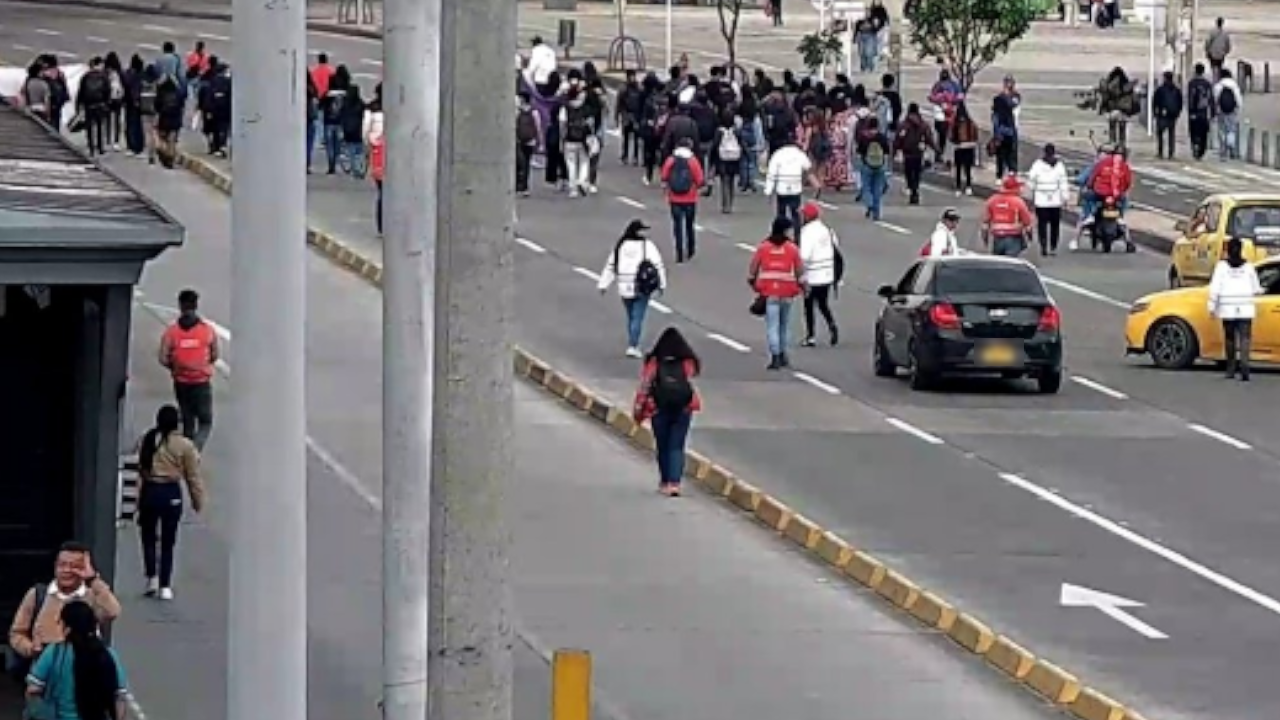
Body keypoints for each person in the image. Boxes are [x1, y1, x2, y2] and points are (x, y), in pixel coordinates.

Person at [7, 541, 122, 671]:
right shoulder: (38, 594)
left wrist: (93, 580)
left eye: (75, 566)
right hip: (45, 670)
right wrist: (30, 649)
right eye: (62, 565)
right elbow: (17, 633)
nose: (67, 570)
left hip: (84, 671)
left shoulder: (92, 595)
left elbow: (112, 611)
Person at [136, 404, 206, 599]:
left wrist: (137, 498)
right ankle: (165, 585)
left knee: (148, 536)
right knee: (168, 541)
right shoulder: (184, 446)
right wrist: (197, 500)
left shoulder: (148, 439)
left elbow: (141, 469)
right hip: (170, 492)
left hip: (150, 491)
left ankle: (151, 576)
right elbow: (193, 476)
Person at [24, 601, 129, 720]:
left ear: (67, 629)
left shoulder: (54, 652)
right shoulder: (108, 654)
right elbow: (120, 697)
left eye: (61, 623)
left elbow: (33, 689)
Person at [632, 328, 702, 497]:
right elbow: (690, 377)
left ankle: (665, 481)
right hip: (684, 407)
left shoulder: (655, 362)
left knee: (663, 446)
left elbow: (645, 385)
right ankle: (675, 483)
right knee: (677, 446)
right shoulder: (687, 362)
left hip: (659, 407)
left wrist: (638, 409)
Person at [158, 289, 219, 450]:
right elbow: (215, 354)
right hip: (201, 381)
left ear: (180, 306)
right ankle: (194, 450)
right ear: (196, 305)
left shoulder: (172, 332)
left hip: (181, 382)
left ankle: (186, 451)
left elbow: (163, 358)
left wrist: (176, 368)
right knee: (205, 421)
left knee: (188, 420)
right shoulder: (207, 330)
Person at [598, 219, 668, 357]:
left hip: (624, 286)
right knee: (638, 316)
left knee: (631, 315)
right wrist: (662, 284)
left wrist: (603, 284)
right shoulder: (647, 246)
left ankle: (632, 339)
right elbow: (658, 265)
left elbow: (611, 266)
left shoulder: (621, 246)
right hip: (641, 286)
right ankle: (633, 345)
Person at [749, 216, 806, 370]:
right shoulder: (792, 248)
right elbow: (800, 271)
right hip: (787, 291)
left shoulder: (764, 247)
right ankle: (783, 353)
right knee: (784, 325)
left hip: (770, 292)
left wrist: (755, 285)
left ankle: (775, 356)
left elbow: (753, 269)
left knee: (772, 325)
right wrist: (803, 287)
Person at [1208, 237, 1262, 381]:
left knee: (1230, 338)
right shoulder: (1249, 267)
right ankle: (1245, 364)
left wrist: (1212, 307)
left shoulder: (1221, 267)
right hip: (1245, 307)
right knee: (1245, 338)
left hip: (1227, 308)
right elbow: (1256, 288)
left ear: (1228, 250)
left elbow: (1215, 289)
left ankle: (1231, 368)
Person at [798, 202, 839, 347]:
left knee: (808, 306)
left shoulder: (807, 232)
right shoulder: (826, 229)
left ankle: (811, 336)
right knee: (823, 303)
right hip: (827, 273)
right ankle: (831, 324)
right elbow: (835, 246)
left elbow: (805, 255)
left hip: (812, 275)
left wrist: (799, 272)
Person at [660, 137, 705, 262]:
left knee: (677, 225)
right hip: (690, 198)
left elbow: (664, 176)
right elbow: (700, 179)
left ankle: (679, 252)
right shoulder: (692, 161)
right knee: (690, 225)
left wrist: (666, 188)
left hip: (674, 198)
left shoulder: (671, 160)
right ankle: (690, 249)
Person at [1026, 143, 1069, 256]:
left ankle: (1043, 245)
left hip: (1041, 199)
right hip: (1055, 198)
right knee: (1055, 225)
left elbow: (1031, 180)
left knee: (1042, 224)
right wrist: (1065, 197)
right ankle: (1053, 246)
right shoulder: (1059, 165)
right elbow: (1063, 182)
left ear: (1044, 152)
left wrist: (1032, 191)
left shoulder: (1037, 165)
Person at [893, 103, 937, 205]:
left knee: (908, 173)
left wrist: (894, 151)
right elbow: (929, 139)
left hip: (907, 153)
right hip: (919, 152)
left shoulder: (903, 124)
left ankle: (911, 189)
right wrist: (937, 150)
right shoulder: (924, 125)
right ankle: (915, 190)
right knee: (917, 173)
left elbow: (898, 139)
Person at [764, 135, 812, 228]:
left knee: (781, 213)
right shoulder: (799, 154)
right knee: (796, 214)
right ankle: (797, 238)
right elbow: (808, 166)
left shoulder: (778, 154)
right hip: (795, 187)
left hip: (782, 187)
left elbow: (771, 173)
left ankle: (780, 236)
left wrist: (768, 191)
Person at [981, 175, 1034, 257]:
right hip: (1013, 238)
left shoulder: (992, 200)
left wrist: (985, 239)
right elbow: (1027, 224)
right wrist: (1030, 237)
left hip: (997, 238)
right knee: (1011, 264)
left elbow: (985, 225)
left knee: (999, 264)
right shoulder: (1018, 202)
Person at [559, 86, 596, 197]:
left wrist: (562, 140)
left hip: (569, 140)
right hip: (583, 139)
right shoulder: (586, 108)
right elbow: (591, 123)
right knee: (584, 162)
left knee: (571, 164)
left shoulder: (565, 108)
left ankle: (573, 189)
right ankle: (582, 181)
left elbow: (562, 125)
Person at [855, 116, 891, 220]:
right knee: (877, 189)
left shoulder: (864, 137)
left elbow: (859, 152)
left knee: (866, 187)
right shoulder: (882, 137)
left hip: (867, 165)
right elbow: (887, 151)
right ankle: (877, 213)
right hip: (880, 165)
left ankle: (869, 204)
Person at [76, 57, 111, 157]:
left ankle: (91, 147)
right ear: (99, 65)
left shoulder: (86, 76)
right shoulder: (104, 77)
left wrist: (79, 105)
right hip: (100, 104)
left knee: (89, 127)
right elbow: (107, 90)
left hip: (88, 105)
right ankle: (100, 147)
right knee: (100, 126)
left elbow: (81, 91)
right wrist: (106, 103)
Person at [710, 109, 743, 213]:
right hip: (734, 158)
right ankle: (731, 203)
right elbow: (741, 143)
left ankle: (726, 204)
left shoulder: (719, 131)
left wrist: (712, 159)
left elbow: (715, 145)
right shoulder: (736, 131)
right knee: (732, 181)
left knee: (724, 180)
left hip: (722, 158)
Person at [320, 65, 352, 174]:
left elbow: (321, 104)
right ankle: (336, 160)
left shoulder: (328, 94)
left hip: (328, 121)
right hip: (341, 122)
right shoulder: (347, 94)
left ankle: (331, 164)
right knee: (338, 144)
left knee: (329, 145)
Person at [1097, 66, 1137, 148]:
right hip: (1122, 111)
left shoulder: (1108, 84)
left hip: (1112, 110)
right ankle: (1122, 145)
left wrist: (1103, 108)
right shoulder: (1126, 85)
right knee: (1122, 130)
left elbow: (1105, 96)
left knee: (1112, 128)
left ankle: (1113, 143)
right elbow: (1132, 98)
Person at [365, 85, 385, 235]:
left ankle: (381, 226)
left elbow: (365, 133)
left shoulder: (371, 110)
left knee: (382, 192)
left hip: (377, 154)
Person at [949, 101, 979, 196]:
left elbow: (951, 136)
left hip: (959, 147)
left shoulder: (956, 122)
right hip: (970, 146)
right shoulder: (972, 122)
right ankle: (968, 186)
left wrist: (955, 142)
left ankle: (958, 188)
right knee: (968, 168)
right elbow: (976, 135)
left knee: (958, 168)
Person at [1213, 68, 1243, 161]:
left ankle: (1223, 151)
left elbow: (1215, 99)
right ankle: (1232, 149)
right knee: (1231, 129)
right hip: (1232, 110)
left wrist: (1215, 109)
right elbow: (1238, 99)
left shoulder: (1218, 86)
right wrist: (1238, 108)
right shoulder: (1235, 86)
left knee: (1222, 130)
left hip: (1221, 110)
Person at [1153, 70, 1184, 160]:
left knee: (1160, 133)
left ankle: (1160, 152)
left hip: (1162, 114)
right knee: (1171, 133)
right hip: (1172, 114)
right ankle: (1171, 153)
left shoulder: (1160, 89)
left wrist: (1155, 113)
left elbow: (1155, 102)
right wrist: (1178, 112)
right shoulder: (1176, 90)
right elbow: (1180, 102)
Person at [1187, 62, 1214, 161]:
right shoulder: (1207, 84)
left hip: (1194, 113)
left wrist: (1190, 112)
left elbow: (1190, 99)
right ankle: (1201, 151)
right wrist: (1213, 113)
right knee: (1204, 133)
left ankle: (1195, 147)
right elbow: (1211, 99)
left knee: (1193, 132)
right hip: (1204, 113)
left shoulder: (1192, 83)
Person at [617, 69, 643, 165]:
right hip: (626, 115)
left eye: (633, 76)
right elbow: (619, 103)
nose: (632, 78)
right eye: (630, 76)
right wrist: (617, 116)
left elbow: (642, 102)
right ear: (627, 77)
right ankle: (625, 156)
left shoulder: (639, 88)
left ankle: (635, 157)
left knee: (636, 137)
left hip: (636, 115)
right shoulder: (623, 88)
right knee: (626, 137)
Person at [104, 52, 126, 152]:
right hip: (118, 99)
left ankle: (108, 140)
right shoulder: (120, 73)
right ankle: (116, 141)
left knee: (108, 120)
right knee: (117, 121)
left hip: (108, 98)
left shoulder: (105, 73)